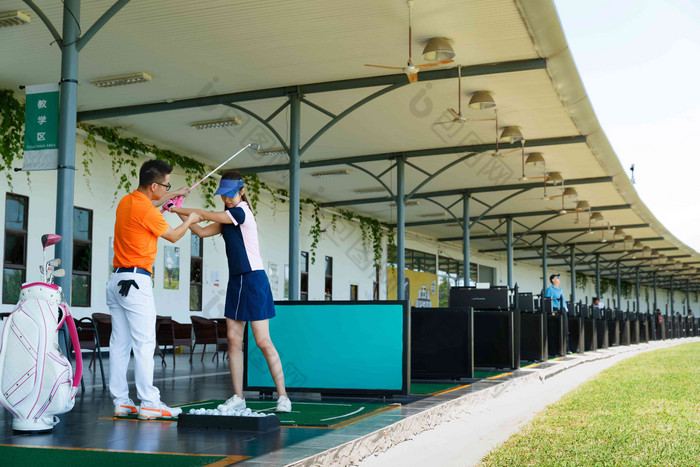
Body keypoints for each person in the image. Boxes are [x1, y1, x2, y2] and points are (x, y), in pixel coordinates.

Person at [171, 171, 291, 413]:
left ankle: (283, 397)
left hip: (255, 280)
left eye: (230, 194)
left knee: (262, 341)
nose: (226, 199)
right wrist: (185, 215)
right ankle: (238, 396)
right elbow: (203, 230)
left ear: (242, 192)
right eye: (223, 195)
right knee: (234, 341)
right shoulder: (227, 218)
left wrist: (175, 209)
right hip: (237, 281)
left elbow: (204, 214)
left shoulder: (241, 212)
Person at [107, 160, 202, 420]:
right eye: (166, 185)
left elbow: (153, 204)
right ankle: (149, 402)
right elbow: (173, 235)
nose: (167, 188)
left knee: (119, 344)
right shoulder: (147, 211)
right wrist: (191, 219)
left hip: (116, 282)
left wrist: (175, 194)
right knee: (145, 343)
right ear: (153, 185)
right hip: (136, 283)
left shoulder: (127, 201)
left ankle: (122, 402)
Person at [545, 274, 570, 352]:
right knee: (555, 330)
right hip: (555, 310)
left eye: (559, 278)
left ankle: (565, 348)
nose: (559, 279)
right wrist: (551, 311)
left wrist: (566, 308)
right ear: (553, 280)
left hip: (562, 309)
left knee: (565, 329)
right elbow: (548, 300)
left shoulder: (560, 289)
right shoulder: (550, 289)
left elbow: (563, 299)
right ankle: (555, 349)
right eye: (557, 278)